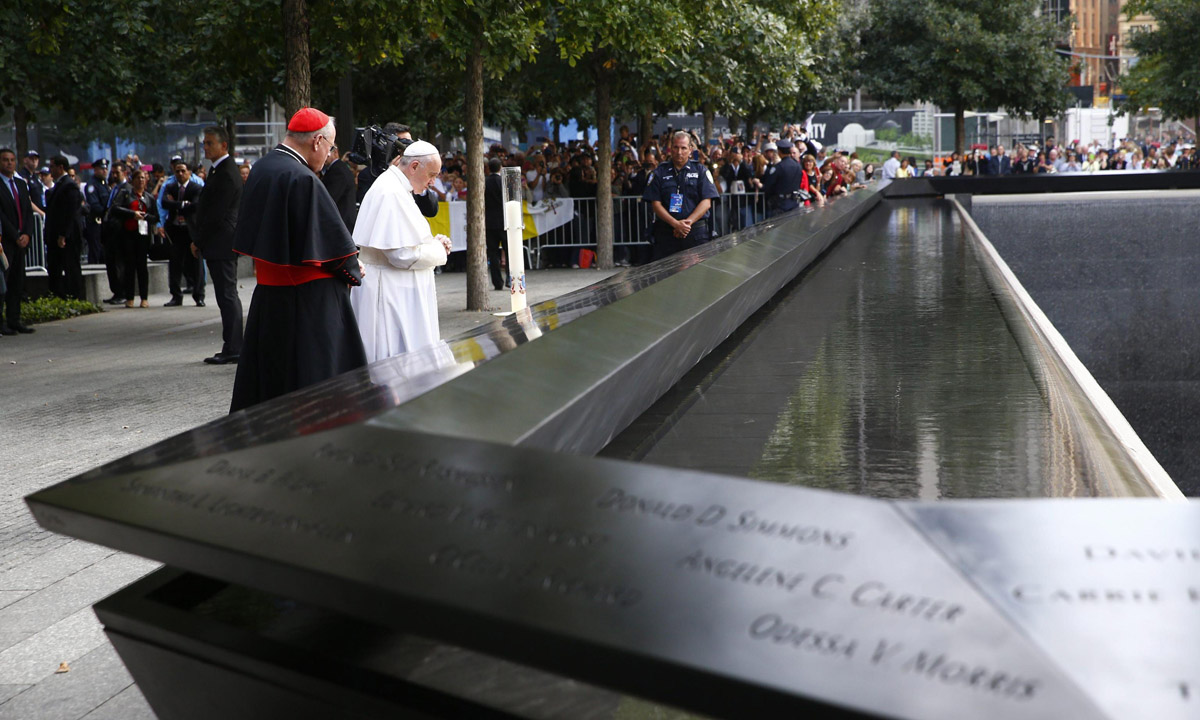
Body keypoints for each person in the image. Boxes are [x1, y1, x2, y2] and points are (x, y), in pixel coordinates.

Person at [229, 107, 366, 413]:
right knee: (315, 385)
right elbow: (334, 252)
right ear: (317, 141)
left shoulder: (263, 168)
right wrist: (355, 267)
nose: (329, 154)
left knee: (274, 382)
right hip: (309, 304)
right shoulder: (301, 177)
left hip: (270, 296)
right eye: (330, 147)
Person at [350, 140, 451, 362]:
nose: (433, 182)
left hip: (395, 289)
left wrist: (432, 242)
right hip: (388, 291)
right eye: (431, 174)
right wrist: (439, 250)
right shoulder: (390, 192)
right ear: (414, 166)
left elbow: (406, 239)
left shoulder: (396, 187)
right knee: (393, 359)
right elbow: (401, 255)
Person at [193, 126, 244, 365]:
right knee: (226, 295)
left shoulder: (225, 172)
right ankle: (232, 345)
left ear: (224, 145)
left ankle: (234, 347)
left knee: (227, 294)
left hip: (221, 242)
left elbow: (215, 213)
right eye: (204, 143)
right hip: (219, 241)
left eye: (209, 143)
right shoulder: (219, 170)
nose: (205, 147)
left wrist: (199, 241)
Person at [643, 131, 719, 260]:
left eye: (683, 148)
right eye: (676, 147)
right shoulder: (659, 172)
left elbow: (706, 202)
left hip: (695, 233)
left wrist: (686, 224)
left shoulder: (701, 171)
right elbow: (656, 204)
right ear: (670, 148)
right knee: (665, 277)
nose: (679, 152)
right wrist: (675, 224)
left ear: (690, 149)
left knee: (696, 276)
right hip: (667, 234)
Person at [110, 169, 158, 307]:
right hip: (127, 234)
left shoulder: (149, 197)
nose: (141, 180)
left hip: (143, 236)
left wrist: (145, 216)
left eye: (143, 178)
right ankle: (129, 297)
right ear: (133, 180)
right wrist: (132, 214)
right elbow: (115, 208)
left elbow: (155, 217)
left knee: (142, 267)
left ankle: (144, 298)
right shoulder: (126, 194)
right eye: (138, 178)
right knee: (129, 266)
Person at [161, 161, 206, 306]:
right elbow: (164, 203)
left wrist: (178, 205)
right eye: (177, 171)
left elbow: (196, 206)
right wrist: (182, 204)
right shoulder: (170, 187)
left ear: (189, 173)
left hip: (191, 231)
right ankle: (176, 295)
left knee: (196, 264)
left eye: (183, 171)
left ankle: (199, 295)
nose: (180, 174)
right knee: (174, 264)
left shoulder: (196, 187)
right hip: (175, 231)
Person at [0, 148, 35, 334]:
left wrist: (27, 234)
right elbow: (2, 216)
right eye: (5, 160)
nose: (9, 163)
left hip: (22, 240)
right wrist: (15, 235)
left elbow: (28, 211)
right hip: (6, 241)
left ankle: (15, 319)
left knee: (17, 281)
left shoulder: (21, 184)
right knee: (3, 283)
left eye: (12, 160)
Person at [44, 156, 85, 299]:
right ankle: (59, 295)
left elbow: (70, 213)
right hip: (57, 235)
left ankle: (75, 296)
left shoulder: (69, 185)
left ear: (60, 167)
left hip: (67, 237)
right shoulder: (59, 185)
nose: (50, 170)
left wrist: (63, 235)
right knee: (55, 267)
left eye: (52, 166)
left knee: (71, 267)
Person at [484, 157, 511, 289]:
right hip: (504, 221)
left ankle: (497, 282)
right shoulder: (504, 181)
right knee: (509, 251)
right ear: (500, 167)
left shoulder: (485, 182)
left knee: (493, 253)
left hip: (489, 222)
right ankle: (510, 278)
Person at [761, 139, 803, 217]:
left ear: (779, 152)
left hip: (781, 204)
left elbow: (769, 185)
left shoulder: (778, 167)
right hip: (794, 202)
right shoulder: (798, 166)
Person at [321, 143, 357, 231]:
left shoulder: (338, 171)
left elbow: (330, 198)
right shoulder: (337, 168)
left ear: (335, 152)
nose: (324, 156)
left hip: (342, 222)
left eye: (327, 152)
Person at [83, 159, 110, 265]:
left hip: (104, 223)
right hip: (96, 222)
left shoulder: (104, 184)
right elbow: (94, 205)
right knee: (95, 250)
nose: (105, 171)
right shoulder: (92, 185)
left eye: (106, 169)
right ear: (95, 170)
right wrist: (107, 212)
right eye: (102, 169)